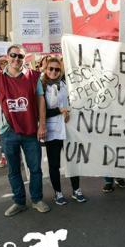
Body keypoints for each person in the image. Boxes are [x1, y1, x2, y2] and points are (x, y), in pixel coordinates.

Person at [0, 44, 50, 217]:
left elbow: (41, 100)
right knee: (13, 170)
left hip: (30, 130)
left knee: (35, 168)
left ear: (25, 58)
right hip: (8, 131)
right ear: (7, 57)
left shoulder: (33, 77)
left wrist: (42, 125)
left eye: (20, 56)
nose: (16, 59)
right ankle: (19, 202)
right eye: (13, 55)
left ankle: (37, 199)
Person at [42, 56, 87, 205]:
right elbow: (40, 113)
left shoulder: (65, 84)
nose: (54, 72)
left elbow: (74, 103)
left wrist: (69, 112)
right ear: (46, 69)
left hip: (69, 129)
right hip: (53, 131)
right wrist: (59, 111)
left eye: (57, 69)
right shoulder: (41, 87)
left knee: (73, 160)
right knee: (54, 164)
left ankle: (76, 190)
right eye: (51, 69)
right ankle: (58, 193)